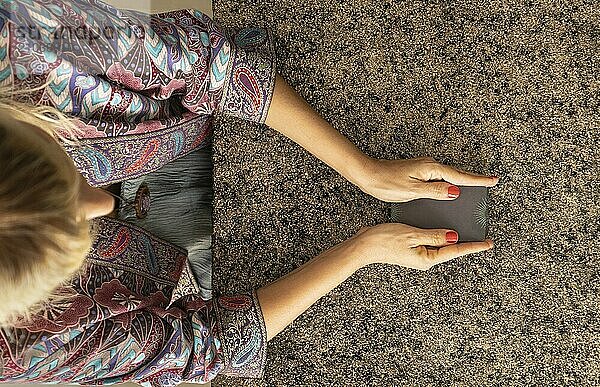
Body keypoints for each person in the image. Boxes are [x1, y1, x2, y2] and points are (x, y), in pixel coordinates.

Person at [0, 0, 499, 385]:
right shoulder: (17, 348)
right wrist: (360, 251)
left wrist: (363, 169)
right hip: (178, 279)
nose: (104, 204)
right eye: (77, 227)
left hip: (189, 130)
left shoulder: (18, 42)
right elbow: (201, 348)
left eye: (67, 176)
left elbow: (204, 60)